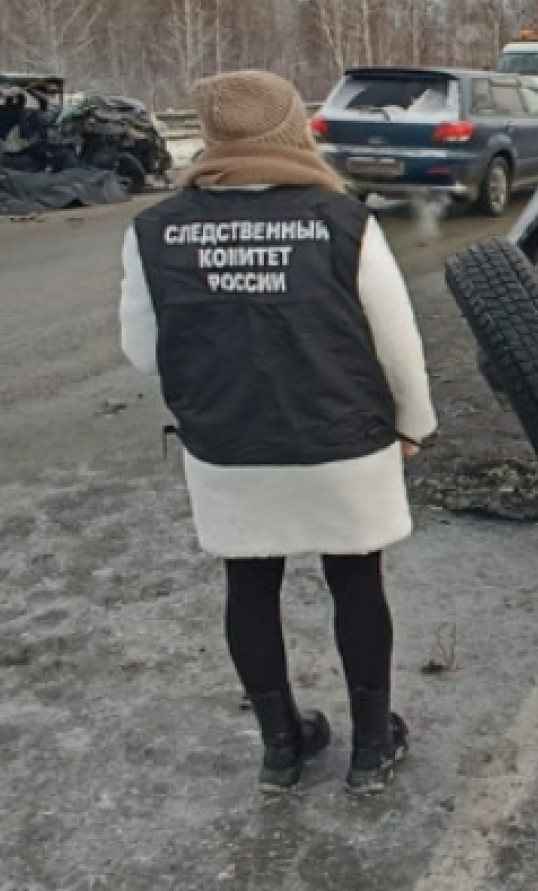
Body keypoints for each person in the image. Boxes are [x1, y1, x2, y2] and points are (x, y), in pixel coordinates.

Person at [118, 69, 435, 795]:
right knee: (356, 581)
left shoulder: (155, 231)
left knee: (249, 584)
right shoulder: (344, 222)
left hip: (230, 443)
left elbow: (142, 352)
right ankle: (371, 747)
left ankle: (282, 747)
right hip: (341, 441)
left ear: (212, 135)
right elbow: (396, 343)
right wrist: (413, 424)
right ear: (294, 127)